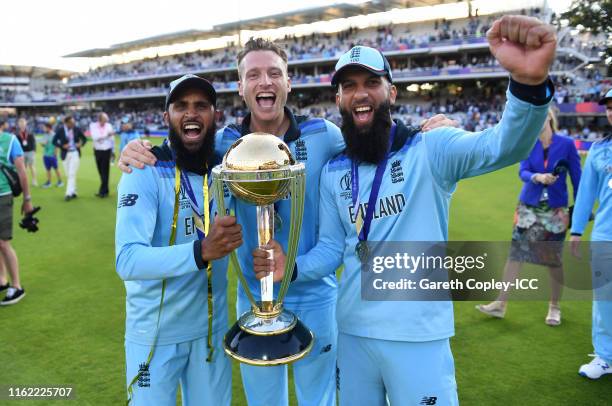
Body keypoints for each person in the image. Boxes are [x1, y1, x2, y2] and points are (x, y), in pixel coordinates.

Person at [119, 40, 460, 406]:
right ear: (241, 87)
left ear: (288, 82)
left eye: (273, 73)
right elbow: (185, 146)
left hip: (316, 295)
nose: (264, 82)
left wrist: (425, 127)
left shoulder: (324, 136)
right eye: (253, 75)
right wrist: (138, 151)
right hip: (254, 299)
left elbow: (376, 140)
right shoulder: (224, 145)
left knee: (321, 399)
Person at [253, 15, 556, 406]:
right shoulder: (334, 171)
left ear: (391, 93)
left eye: (371, 83)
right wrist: (289, 267)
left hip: (418, 337)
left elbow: (502, 146)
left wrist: (528, 86)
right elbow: (332, 247)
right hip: (353, 333)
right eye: (349, 86)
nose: (360, 94)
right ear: (339, 100)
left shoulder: (432, 149)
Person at [115, 74, 242, 405]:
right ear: (166, 117)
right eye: (181, 106)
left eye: (201, 106)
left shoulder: (229, 169)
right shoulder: (144, 170)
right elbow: (127, 260)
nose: (191, 113)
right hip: (154, 337)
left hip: (211, 335)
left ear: (215, 115)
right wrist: (201, 251)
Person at [476, 107, 581, 325]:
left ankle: (554, 307)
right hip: (527, 207)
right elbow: (522, 172)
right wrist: (537, 177)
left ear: (549, 118)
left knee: (553, 261)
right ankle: (500, 304)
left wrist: (578, 212)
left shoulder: (567, 144)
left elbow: (578, 180)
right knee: (515, 255)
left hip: (555, 211)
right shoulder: (528, 143)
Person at [570, 88, 612, 379]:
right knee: (604, 300)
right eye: (609, 106)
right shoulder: (599, 149)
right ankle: (606, 357)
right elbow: (586, 195)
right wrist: (575, 230)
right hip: (605, 236)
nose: (611, 111)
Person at [0, 119, 34, 305]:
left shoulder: (10, 140)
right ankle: (2, 280)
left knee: (4, 243)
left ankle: (17, 286)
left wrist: (27, 200)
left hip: (3, 196)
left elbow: (22, 172)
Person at [53, 115, 86, 201]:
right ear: (66, 123)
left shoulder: (76, 129)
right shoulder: (60, 130)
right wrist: (62, 146)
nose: (73, 124)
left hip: (75, 153)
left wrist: (80, 144)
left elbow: (84, 139)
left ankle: (68, 194)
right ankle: (74, 191)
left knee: (71, 174)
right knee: (69, 175)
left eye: (73, 122)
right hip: (65, 154)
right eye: (71, 122)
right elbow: (54, 141)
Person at [90, 112, 115, 198]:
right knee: (100, 171)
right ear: (100, 119)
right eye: (104, 120)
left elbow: (112, 139)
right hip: (97, 150)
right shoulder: (93, 126)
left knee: (105, 171)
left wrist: (113, 150)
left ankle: (102, 191)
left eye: (106, 120)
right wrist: (106, 135)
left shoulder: (109, 126)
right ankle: (105, 190)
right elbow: (94, 137)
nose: (106, 122)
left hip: (107, 150)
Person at [39, 122, 63, 188]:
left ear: (48, 128)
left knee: (56, 168)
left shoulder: (54, 135)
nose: (43, 129)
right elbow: (45, 143)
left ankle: (60, 181)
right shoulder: (45, 135)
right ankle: (49, 182)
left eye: (44, 128)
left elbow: (57, 145)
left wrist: (55, 154)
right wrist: (43, 144)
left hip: (52, 155)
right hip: (45, 155)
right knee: (48, 169)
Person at [16, 118, 37, 187]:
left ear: (25, 123)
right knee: (23, 167)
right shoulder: (17, 133)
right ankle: (25, 181)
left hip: (30, 151)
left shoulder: (30, 131)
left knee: (32, 166)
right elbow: (17, 144)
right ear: (19, 125)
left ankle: (34, 180)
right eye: (20, 123)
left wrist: (34, 150)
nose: (22, 125)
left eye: (23, 123)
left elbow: (34, 141)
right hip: (22, 152)